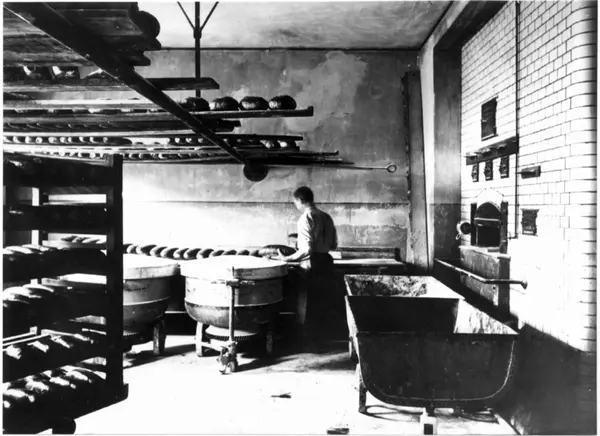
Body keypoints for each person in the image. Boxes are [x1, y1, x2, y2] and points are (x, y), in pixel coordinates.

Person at [277, 186, 338, 341]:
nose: (296, 206)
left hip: (312, 264)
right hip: (326, 261)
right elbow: (333, 245)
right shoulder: (327, 217)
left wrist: (286, 259)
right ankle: (323, 340)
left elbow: (307, 249)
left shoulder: (306, 218)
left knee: (308, 304)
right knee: (323, 302)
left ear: (300, 200)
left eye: (295, 202)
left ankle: (309, 340)